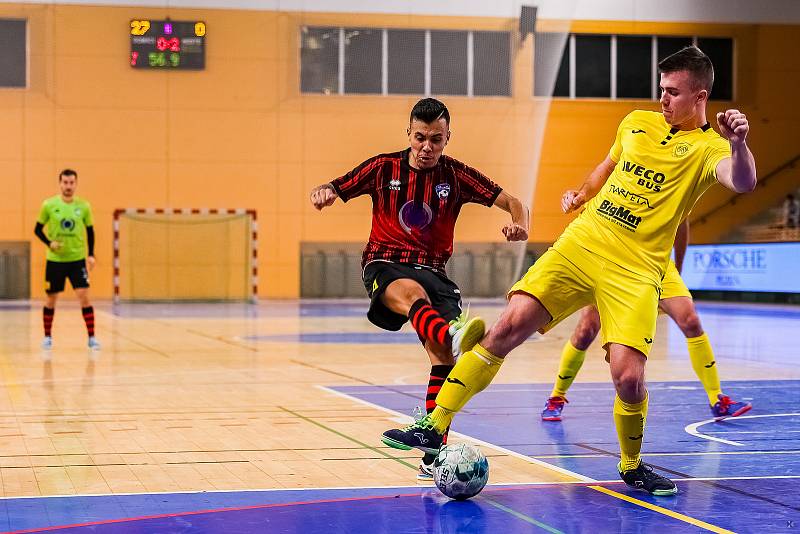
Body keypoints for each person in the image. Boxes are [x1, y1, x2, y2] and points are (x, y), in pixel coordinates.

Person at [381, 47, 757, 496]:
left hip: (635, 270)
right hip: (583, 242)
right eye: (660, 89)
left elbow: (744, 181)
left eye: (672, 93)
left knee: (629, 377)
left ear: (700, 95)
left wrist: (738, 143)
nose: (662, 100)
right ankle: (434, 423)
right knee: (507, 326)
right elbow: (607, 166)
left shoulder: (708, 148)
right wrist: (581, 193)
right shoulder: (636, 122)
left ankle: (632, 465)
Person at [310, 98, 529, 481]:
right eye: (420, 138)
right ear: (408, 134)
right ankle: (451, 331)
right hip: (386, 263)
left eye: (436, 140)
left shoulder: (456, 175)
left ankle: (432, 449)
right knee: (412, 295)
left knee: (443, 359)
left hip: (436, 272)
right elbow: (335, 185)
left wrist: (520, 225)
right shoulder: (382, 168)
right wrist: (323, 192)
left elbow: (513, 201)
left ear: (448, 138)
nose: (427, 147)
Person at [541, 220, 752, 422]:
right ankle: (556, 396)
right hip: (612, 261)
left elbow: (682, 222)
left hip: (655, 262)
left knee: (690, 321)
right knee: (586, 330)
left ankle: (717, 398)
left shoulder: (677, 183)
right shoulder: (614, 184)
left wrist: (678, 267)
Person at [34, 169, 100, 350]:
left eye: (71, 183)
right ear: (60, 183)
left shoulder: (84, 206)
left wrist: (91, 254)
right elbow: (37, 229)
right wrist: (49, 243)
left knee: (84, 296)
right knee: (51, 299)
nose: (68, 186)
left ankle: (92, 337)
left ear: (76, 184)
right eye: (65, 182)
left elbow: (90, 231)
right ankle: (47, 337)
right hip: (55, 260)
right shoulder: (49, 205)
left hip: (77, 259)